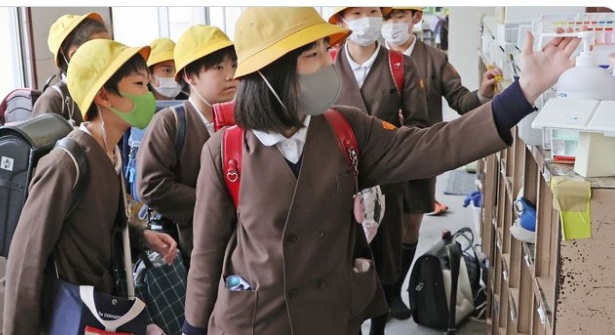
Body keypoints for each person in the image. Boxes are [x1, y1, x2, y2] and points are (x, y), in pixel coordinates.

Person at [182, 6, 579, 335]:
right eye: (313, 55)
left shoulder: (345, 130)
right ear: (272, 72)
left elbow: (433, 146)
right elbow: (207, 252)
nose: (327, 63)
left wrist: (522, 93)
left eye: (325, 49)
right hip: (254, 319)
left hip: (331, 317)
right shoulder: (226, 150)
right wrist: (193, 328)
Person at [3, 39, 179, 335]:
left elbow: (101, 221)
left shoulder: (111, 152)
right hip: (70, 313)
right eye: (139, 85)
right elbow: (25, 259)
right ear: (104, 96)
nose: (149, 96)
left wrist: (141, 235)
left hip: (101, 310)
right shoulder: (66, 163)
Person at [381, 6, 504, 320]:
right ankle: (376, 296)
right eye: (386, 17)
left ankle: (394, 293)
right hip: (380, 158)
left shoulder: (433, 59)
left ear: (415, 19)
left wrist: (484, 93)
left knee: (411, 227)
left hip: (422, 154)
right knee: (378, 229)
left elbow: (460, 99)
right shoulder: (374, 58)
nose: (392, 24)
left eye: (398, 16)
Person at [327, 7, 429, 334]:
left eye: (371, 10)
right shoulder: (326, 65)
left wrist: (386, 137)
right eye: (355, 12)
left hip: (387, 181)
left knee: (386, 260)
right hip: (333, 183)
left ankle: (379, 329)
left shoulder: (400, 66)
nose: (364, 18)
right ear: (341, 20)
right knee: (339, 260)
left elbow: (418, 126)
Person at [136, 25, 238, 267]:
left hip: (243, 245)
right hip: (196, 248)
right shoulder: (170, 122)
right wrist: (214, 201)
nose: (230, 75)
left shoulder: (244, 118)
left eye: (233, 65)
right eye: (219, 67)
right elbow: (151, 186)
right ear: (190, 77)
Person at [32, 12, 111, 126]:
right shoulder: (53, 101)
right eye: (101, 50)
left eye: (112, 48)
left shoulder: (107, 91)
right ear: (74, 56)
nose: (111, 56)